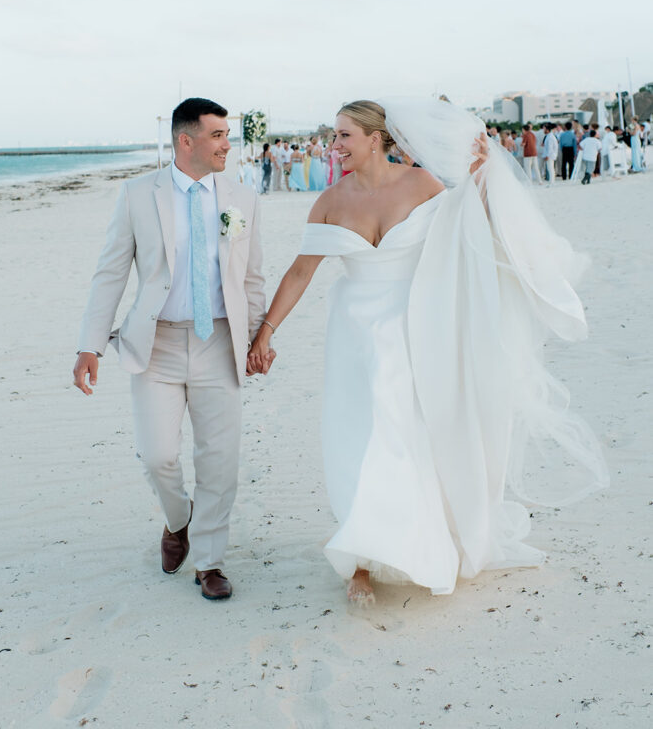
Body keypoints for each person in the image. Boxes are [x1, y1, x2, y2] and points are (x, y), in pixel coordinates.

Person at [249, 98, 606, 604]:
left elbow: (468, 227)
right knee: (356, 438)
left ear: (375, 139)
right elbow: (301, 272)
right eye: (334, 136)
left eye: (344, 136)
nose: (335, 146)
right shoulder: (329, 200)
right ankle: (360, 562)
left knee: (401, 436)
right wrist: (266, 330)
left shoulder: (421, 184)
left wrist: (483, 175)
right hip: (352, 335)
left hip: (413, 329)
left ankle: (400, 545)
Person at [73, 98, 273, 601]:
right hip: (156, 344)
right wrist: (89, 345)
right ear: (187, 141)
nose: (228, 144)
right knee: (157, 455)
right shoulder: (139, 195)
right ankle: (178, 520)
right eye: (219, 135)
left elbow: (251, 277)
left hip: (219, 341)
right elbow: (111, 272)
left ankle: (209, 562)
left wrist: (257, 338)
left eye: (229, 134)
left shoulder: (242, 199)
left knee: (220, 459)